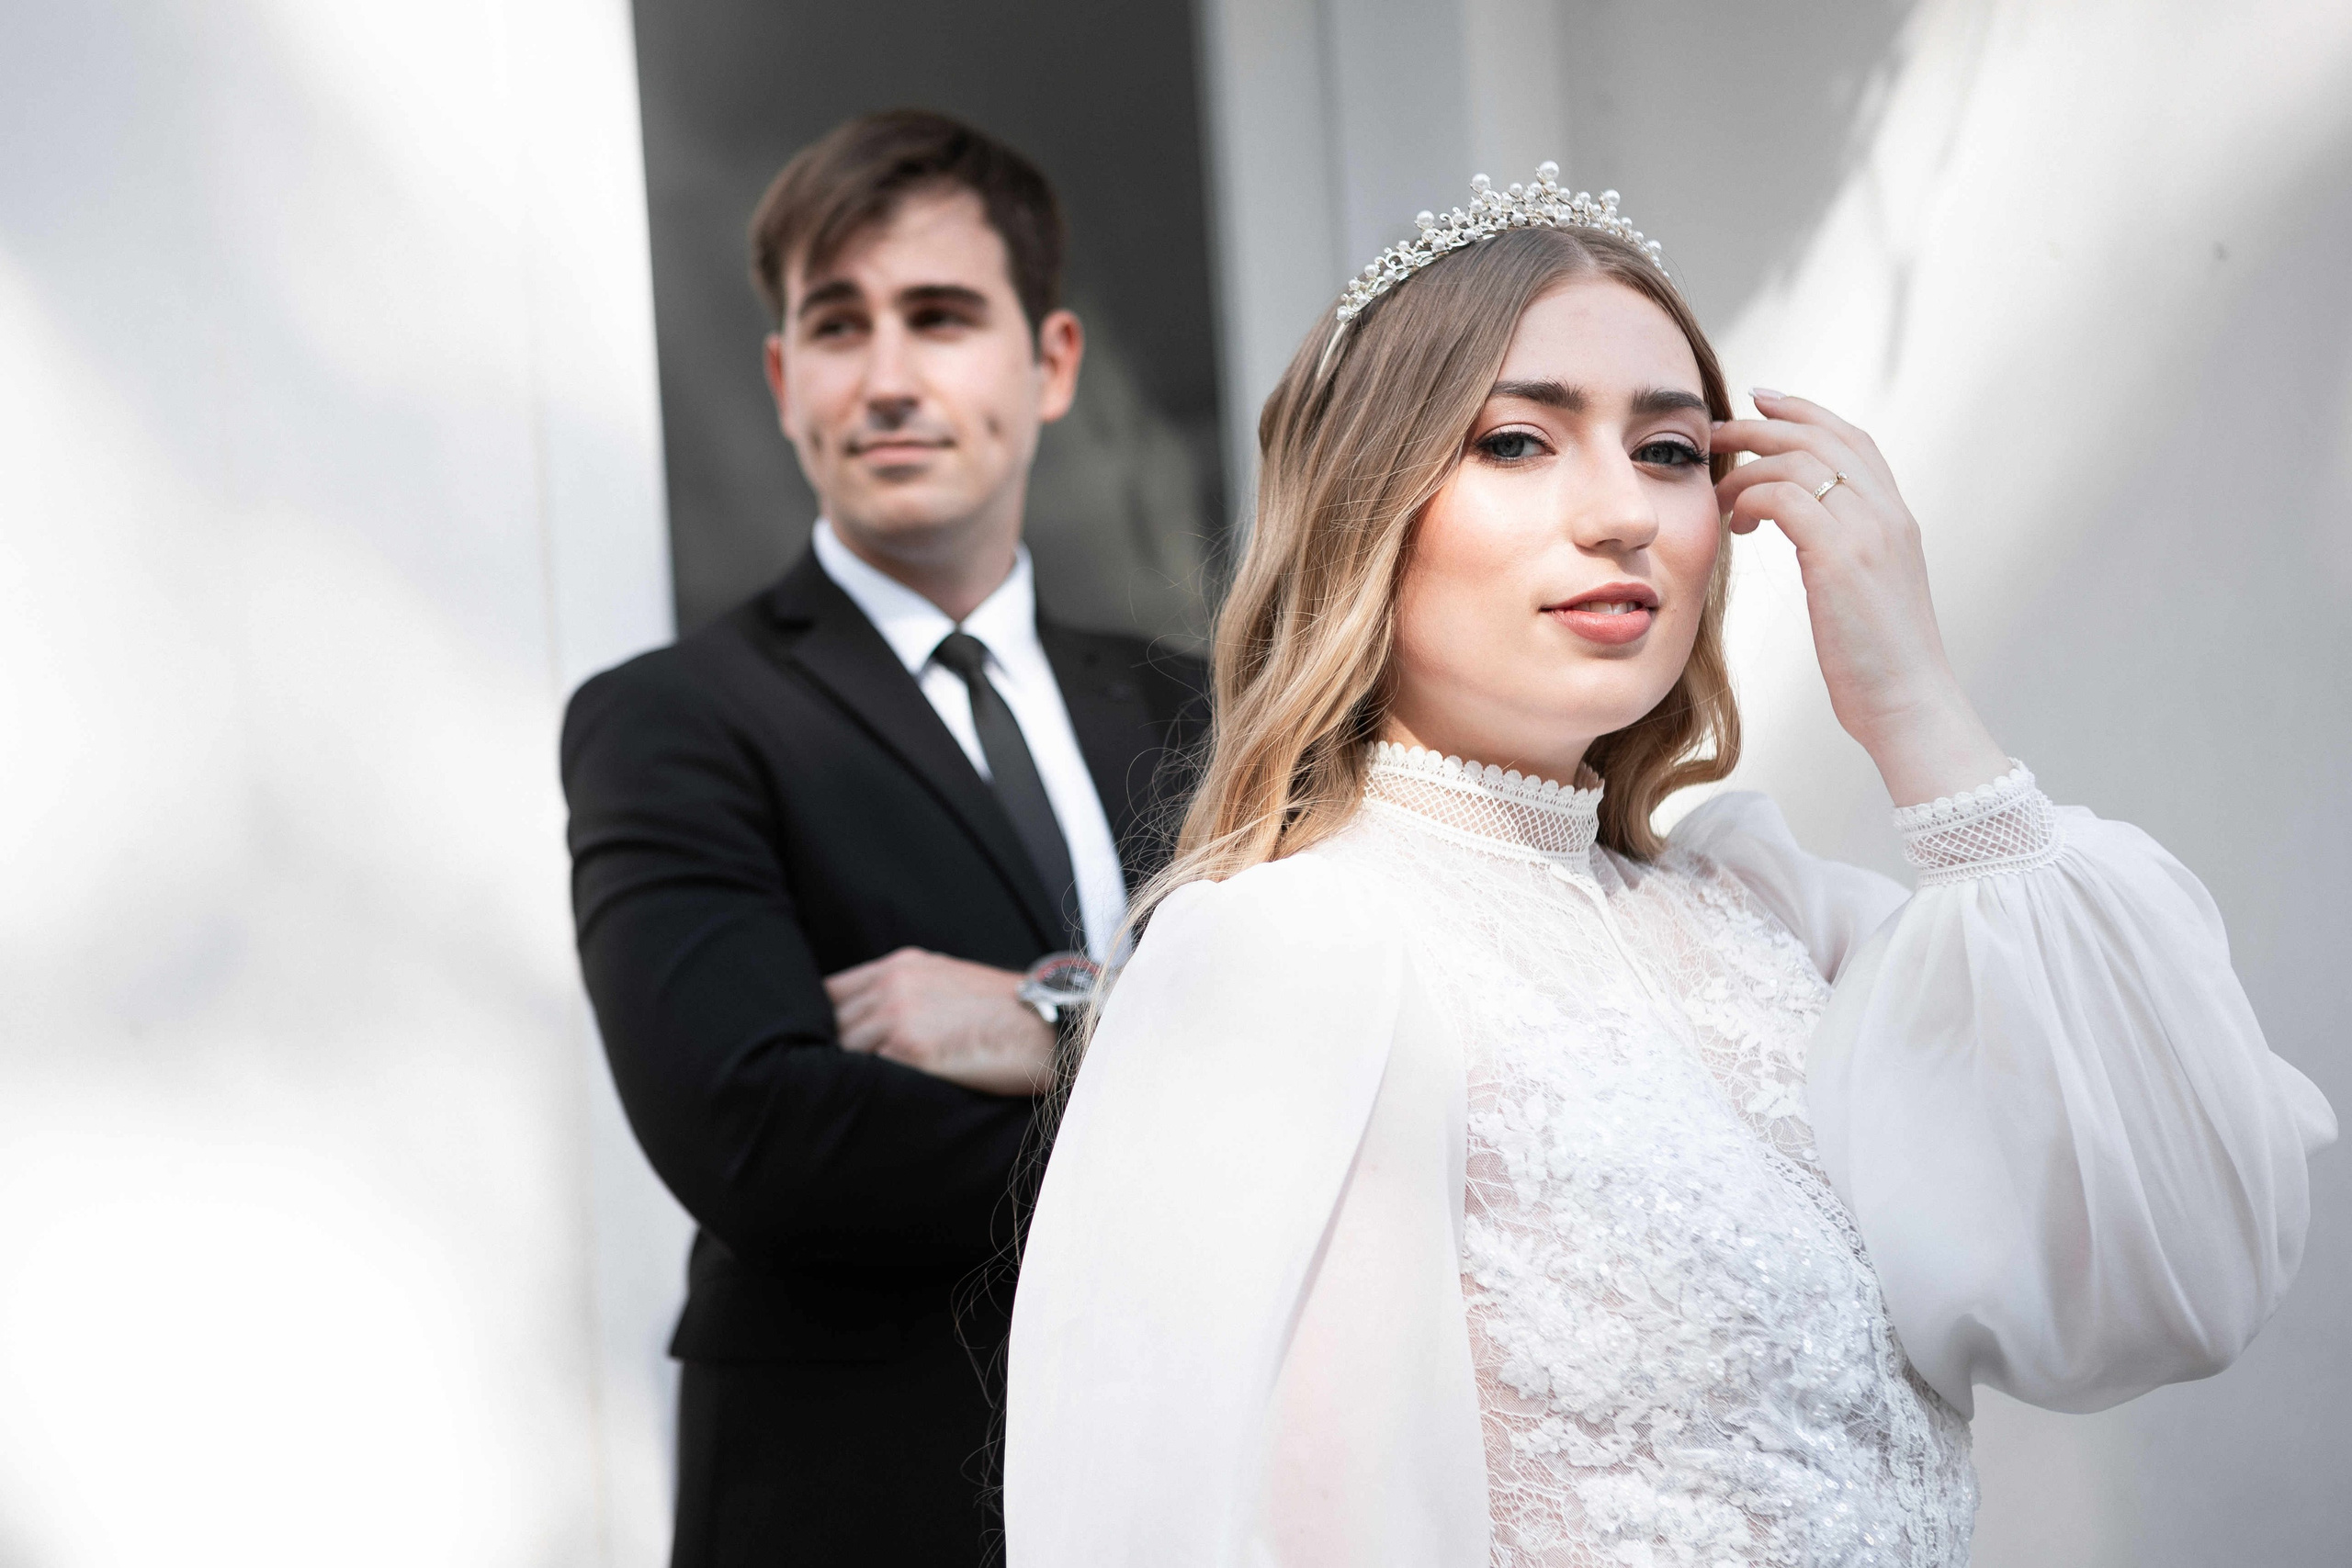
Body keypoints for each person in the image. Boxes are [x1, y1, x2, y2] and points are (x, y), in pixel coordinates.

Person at [1004, 168, 2336, 1565]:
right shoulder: (1290, 950)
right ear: (1364, 507)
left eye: (1672, 452)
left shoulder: (1776, 927)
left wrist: (1919, 711)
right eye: (1519, 442)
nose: (1622, 512)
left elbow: (2172, 1264)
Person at [561, 110, 1204, 1566]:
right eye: (839, 327)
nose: (892, 378)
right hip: (867, 1502)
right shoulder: (671, 721)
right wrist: (1210, 1103)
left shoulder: (1204, 707)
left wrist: (1066, 1027)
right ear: (787, 382)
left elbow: (1353, 1059)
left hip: (1194, 1475)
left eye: (942, 317)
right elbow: (763, 1136)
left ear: (1050, 365)